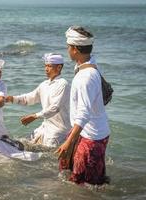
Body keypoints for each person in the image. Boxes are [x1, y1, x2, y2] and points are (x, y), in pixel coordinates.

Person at [55, 26, 110, 185]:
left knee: (85, 184)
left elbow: (84, 113)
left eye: (68, 47)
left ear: (75, 50)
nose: (67, 50)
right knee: (78, 174)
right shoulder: (89, 65)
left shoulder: (85, 76)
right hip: (91, 131)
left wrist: (68, 142)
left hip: (91, 136)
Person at [6, 53, 71, 148]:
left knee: (47, 155)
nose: (46, 69)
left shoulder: (63, 84)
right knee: (21, 143)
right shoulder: (44, 84)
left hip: (58, 130)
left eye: (49, 66)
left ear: (59, 67)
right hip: (45, 126)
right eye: (45, 66)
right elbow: (29, 99)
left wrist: (35, 116)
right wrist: (12, 99)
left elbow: (54, 108)